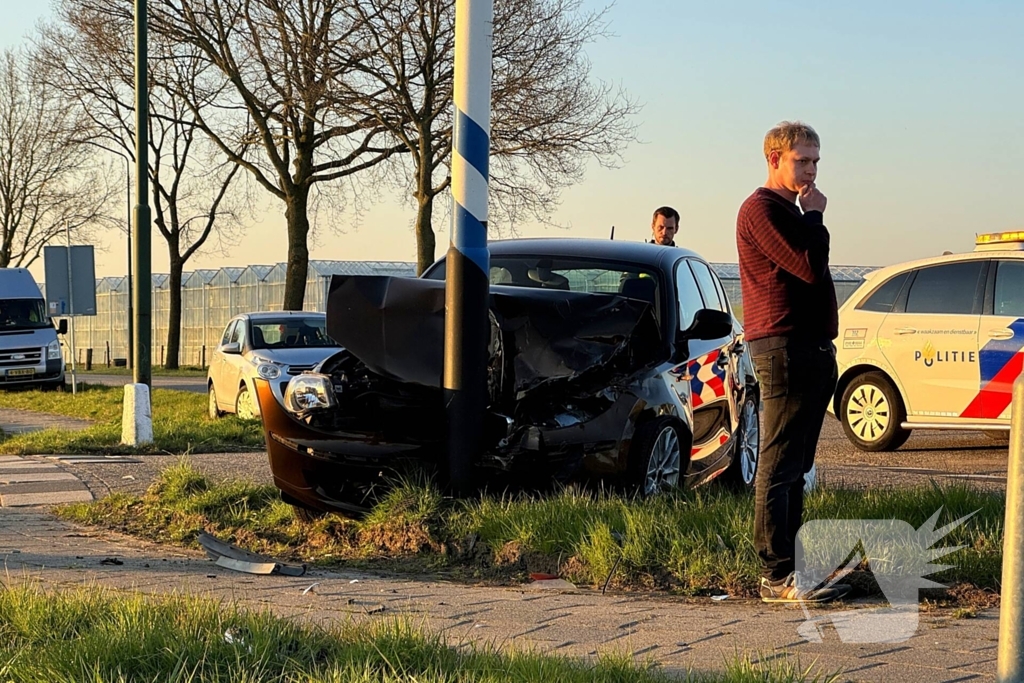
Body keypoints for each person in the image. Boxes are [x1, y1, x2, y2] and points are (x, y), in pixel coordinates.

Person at [736, 121, 850, 604]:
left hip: (809, 346)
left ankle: (794, 567)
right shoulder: (762, 209)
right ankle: (775, 573)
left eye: (816, 161)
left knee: (797, 463)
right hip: (781, 346)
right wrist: (816, 217)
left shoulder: (793, 210)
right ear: (774, 159)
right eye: (802, 160)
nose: (810, 170)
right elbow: (806, 266)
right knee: (778, 460)